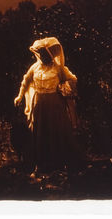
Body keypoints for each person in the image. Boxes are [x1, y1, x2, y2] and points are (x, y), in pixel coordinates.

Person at [14, 37, 78, 173]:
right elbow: (25, 81)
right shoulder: (35, 67)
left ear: (50, 54)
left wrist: (64, 88)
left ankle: (58, 163)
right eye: (40, 54)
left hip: (54, 105)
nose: (42, 56)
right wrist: (20, 96)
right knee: (39, 132)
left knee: (55, 131)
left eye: (44, 54)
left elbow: (72, 79)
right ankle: (40, 163)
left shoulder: (59, 68)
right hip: (38, 105)